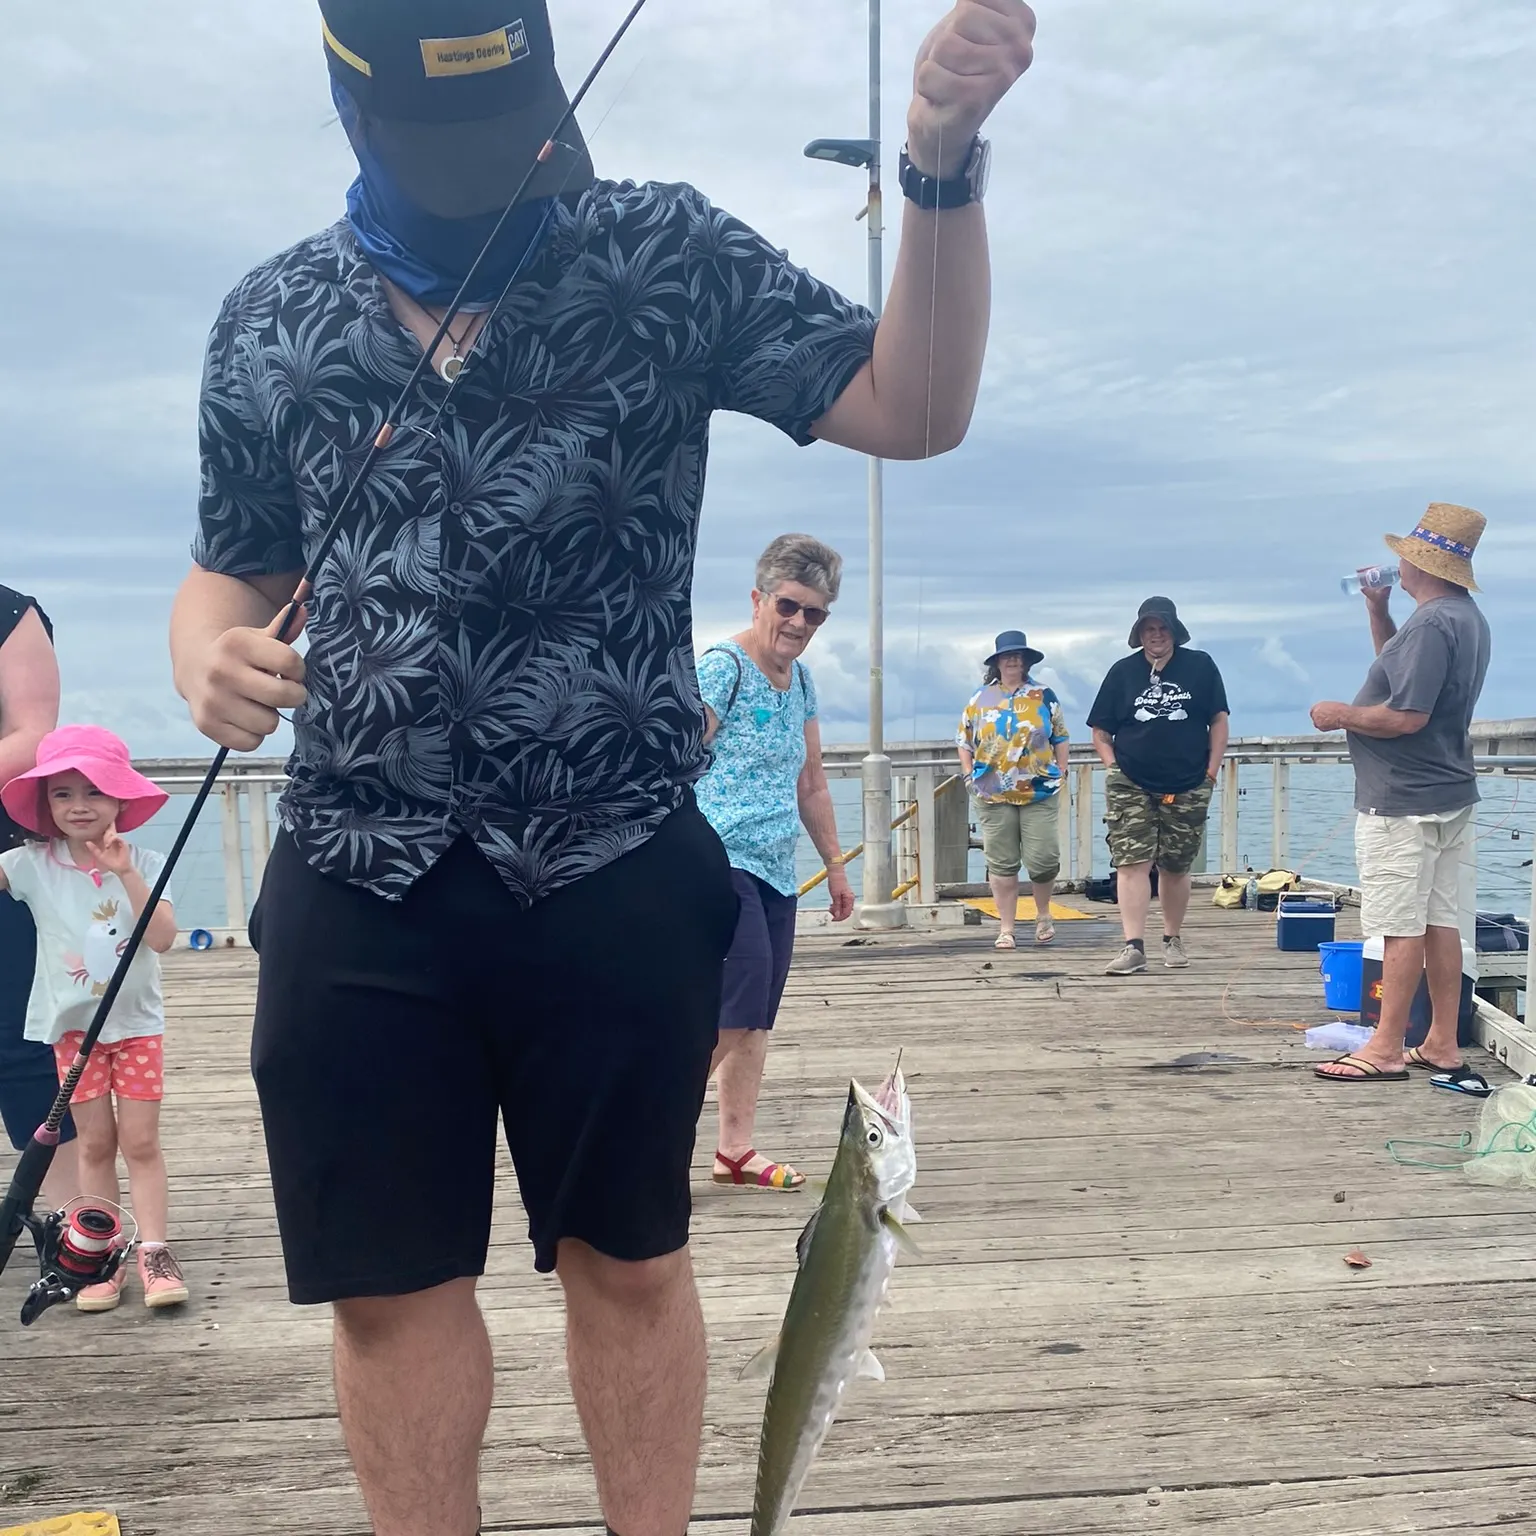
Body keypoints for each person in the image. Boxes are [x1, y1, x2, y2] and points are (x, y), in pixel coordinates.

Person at [167, 3, 1035, 1533]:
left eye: (512, 131)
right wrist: (204, 657)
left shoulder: (662, 252)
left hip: (617, 859)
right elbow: (230, 565)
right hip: (359, 870)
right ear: (357, 113)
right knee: (385, 1290)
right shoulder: (269, 316)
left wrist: (938, 164)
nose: (494, 166)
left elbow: (916, 406)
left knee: (631, 1261)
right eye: (447, 142)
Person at [0, 725, 187, 1309]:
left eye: (94, 791)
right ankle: (102, 1255)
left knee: (141, 1142)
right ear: (45, 805)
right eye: (62, 793)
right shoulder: (29, 864)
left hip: (135, 1030)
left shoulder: (148, 861)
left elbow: (162, 938)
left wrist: (126, 872)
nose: (78, 805)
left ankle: (154, 1250)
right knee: (95, 1145)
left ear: (120, 799)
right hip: (72, 1034)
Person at [1309, 503, 1491, 1084]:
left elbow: (1407, 715)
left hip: (1403, 799)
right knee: (1440, 921)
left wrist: (1339, 714)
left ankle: (1386, 1047)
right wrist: (1377, 610)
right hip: (1446, 791)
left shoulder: (1433, 624)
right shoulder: (1461, 617)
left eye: (1405, 556)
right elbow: (1401, 677)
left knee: (1399, 924)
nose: (1398, 565)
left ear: (1423, 563)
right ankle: (1441, 1042)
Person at [696, 535, 853, 1193]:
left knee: (757, 1012)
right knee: (734, 1001)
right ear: (758, 599)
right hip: (715, 858)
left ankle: (735, 1149)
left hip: (774, 869)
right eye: (788, 606)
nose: (798, 623)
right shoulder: (722, 668)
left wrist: (835, 866)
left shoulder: (803, 682)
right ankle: (647, 1133)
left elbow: (811, 781)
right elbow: (672, 762)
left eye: (814, 613)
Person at [1087, 597, 1230, 976]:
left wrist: (1211, 773)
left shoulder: (1201, 666)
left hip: (1189, 781)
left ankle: (1172, 938)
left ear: (1174, 631)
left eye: (1163, 628)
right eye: (1149, 629)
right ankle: (1133, 946)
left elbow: (1218, 720)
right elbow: (1100, 730)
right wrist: (1113, 768)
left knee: (1176, 865)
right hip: (1130, 781)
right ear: (1139, 634)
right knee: (1131, 862)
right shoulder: (1122, 672)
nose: (1156, 635)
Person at [0, 585, 79, 1217]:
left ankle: (68, 1221)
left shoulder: (8, 611)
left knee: (22, 1041)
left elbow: (33, 734)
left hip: (6, 864)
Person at [956, 629, 1068, 949]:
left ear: (1026, 661)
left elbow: (1060, 735)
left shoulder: (1044, 695)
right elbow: (964, 740)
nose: (1013, 661)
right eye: (1007, 656)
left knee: (1044, 858)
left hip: (1039, 789)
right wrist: (968, 775)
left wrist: (1062, 770)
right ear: (997, 662)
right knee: (1002, 862)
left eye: (1018, 656)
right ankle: (1007, 928)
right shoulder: (980, 698)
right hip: (991, 791)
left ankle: (1043, 914)